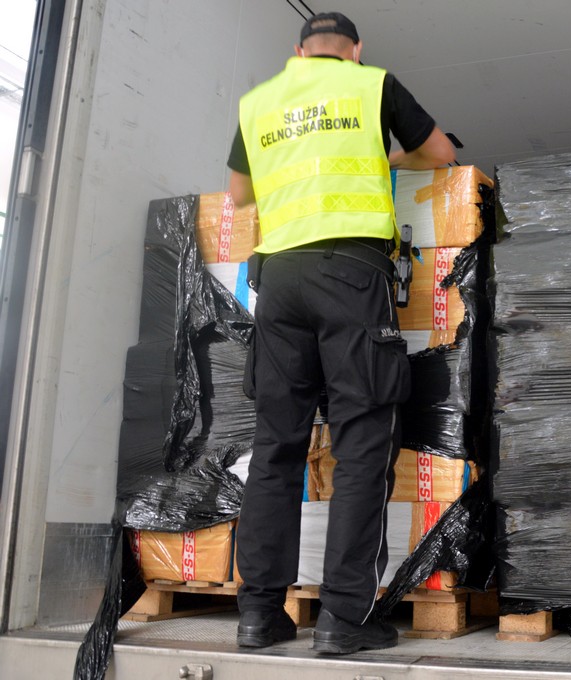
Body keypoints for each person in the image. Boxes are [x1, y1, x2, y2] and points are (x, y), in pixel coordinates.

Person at [226, 11, 456, 654]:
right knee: (361, 443)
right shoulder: (371, 84)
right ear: (355, 50)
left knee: (276, 448)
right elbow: (441, 152)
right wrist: (387, 155)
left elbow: (239, 194)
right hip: (351, 276)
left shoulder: (259, 101)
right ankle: (344, 619)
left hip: (277, 283)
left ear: (298, 51)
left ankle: (259, 616)